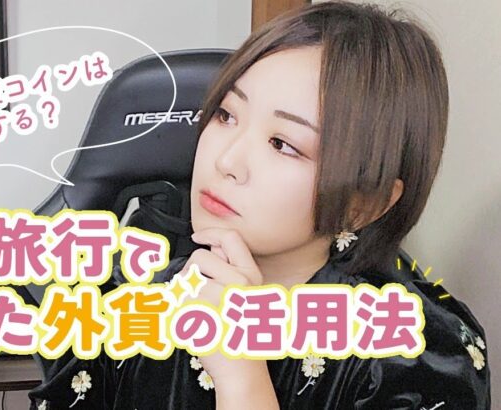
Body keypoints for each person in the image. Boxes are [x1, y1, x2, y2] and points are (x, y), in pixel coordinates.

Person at [27, 1, 491, 408]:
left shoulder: (418, 358)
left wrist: (241, 376)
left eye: (283, 144)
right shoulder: (137, 300)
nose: (225, 161)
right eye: (226, 114)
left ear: (363, 203)